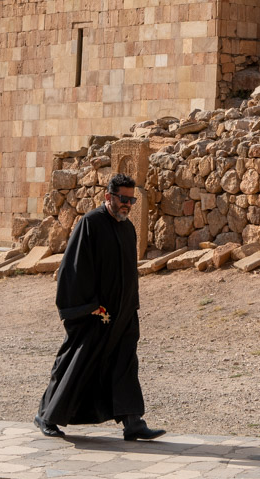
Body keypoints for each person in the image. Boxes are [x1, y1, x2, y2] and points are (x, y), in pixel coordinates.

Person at [34, 173, 165, 441]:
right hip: (96, 313)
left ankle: (132, 422)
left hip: (124, 313)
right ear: (109, 197)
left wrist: (131, 306)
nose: (128, 204)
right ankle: (46, 415)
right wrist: (89, 306)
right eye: (123, 199)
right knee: (74, 363)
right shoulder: (90, 224)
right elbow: (74, 268)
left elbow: (128, 273)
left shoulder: (128, 228)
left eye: (131, 199)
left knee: (124, 364)